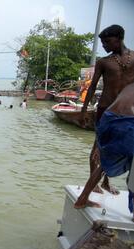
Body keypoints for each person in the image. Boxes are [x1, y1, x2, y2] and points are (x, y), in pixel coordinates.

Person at [78, 25, 134, 199]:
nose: (104, 46)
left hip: (127, 111)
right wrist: (83, 110)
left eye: (107, 42)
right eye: (102, 43)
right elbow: (93, 86)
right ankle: (94, 183)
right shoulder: (104, 62)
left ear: (119, 38)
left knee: (119, 148)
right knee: (98, 147)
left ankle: (106, 182)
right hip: (105, 109)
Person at [74, 82, 134, 222]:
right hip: (128, 122)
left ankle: (82, 198)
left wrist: (98, 146)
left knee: (105, 163)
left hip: (108, 118)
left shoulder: (129, 85)